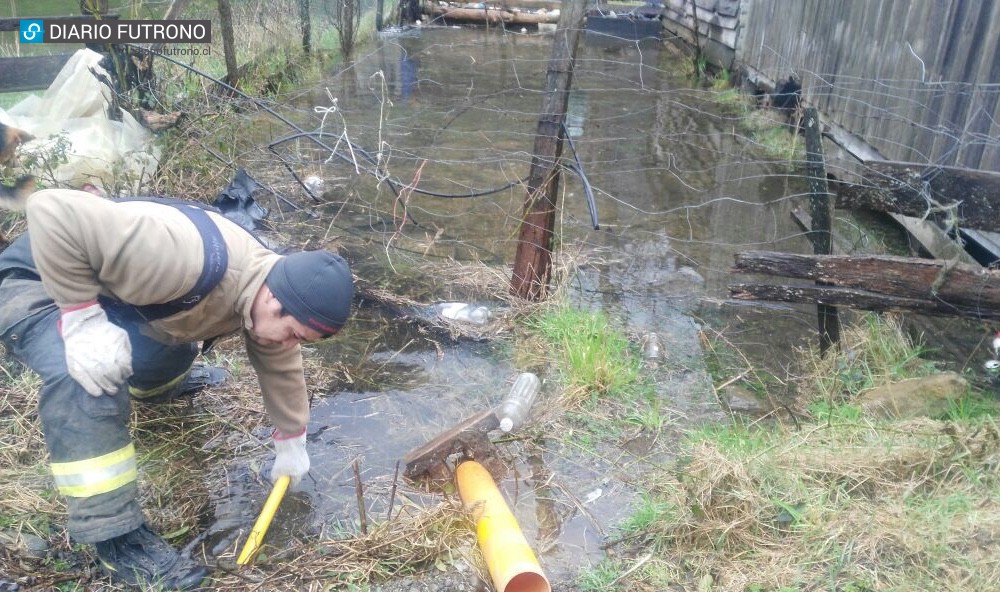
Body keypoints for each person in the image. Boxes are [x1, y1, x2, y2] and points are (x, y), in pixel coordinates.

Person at [0, 186, 354, 590]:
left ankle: (154, 389)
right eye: (294, 333)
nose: (291, 345)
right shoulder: (177, 255)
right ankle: (115, 537)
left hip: (117, 297)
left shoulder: (266, 284)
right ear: (274, 300)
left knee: (180, 341)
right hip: (40, 283)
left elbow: (279, 361)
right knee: (89, 376)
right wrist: (82, 318)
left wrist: (292, 438)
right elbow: (51, 208)